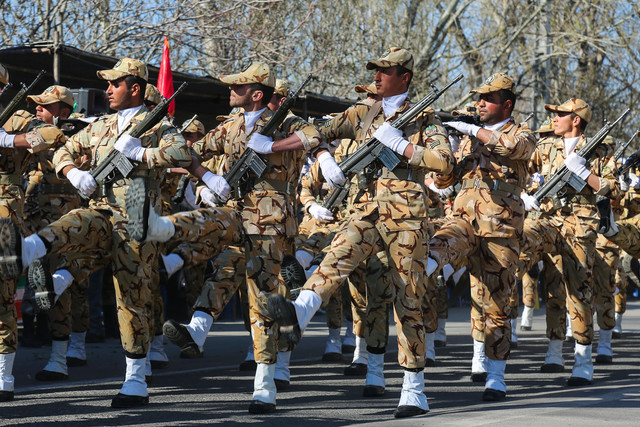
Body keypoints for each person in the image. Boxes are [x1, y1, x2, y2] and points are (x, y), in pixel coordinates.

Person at [268, 47, 454, 418]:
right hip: (365, 210)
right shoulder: (361, 113)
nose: (377, 77)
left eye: (386, 71)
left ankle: (413, 389)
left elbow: (446, 166)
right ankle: (300, 310)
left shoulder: (426, 121)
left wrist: (402, 145)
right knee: (337, 253)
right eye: (376, 71)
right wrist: (316, 154)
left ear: (404, 77)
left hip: (406, 219)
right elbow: (314, 130)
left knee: (408, 298)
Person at [0, 57, 193, 407]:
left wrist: (142, 153)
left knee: (131, 297)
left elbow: (183, 152)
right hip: (103, 210)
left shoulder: (157, 126)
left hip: (137, 216)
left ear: (134, 88)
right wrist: (73, 172)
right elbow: (64, 149)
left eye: (114, 84)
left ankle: (135, 378)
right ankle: (30, 248)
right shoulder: (100, 125)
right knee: (73, 223)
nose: (107, 90)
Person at [428, 73, 536, 401]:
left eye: (487, 100)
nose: (479, 104)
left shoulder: (522, 132)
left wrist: (474, 130)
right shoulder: (468, 138)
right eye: (479, 99)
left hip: (500, 227)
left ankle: (496, 374)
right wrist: (443, 143)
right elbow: (445, 180)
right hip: (464, 220)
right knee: (437, 246)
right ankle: (423, 268)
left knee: (495, 301)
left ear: (506, 104)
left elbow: (514, 148)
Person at [519, 98, 618, 385]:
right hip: (549, 220)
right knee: (551, 285)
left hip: (580, 227)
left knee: (578, 291)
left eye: (560, 114)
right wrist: (525, 194)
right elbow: (523, 172)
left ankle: (583, 360)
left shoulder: (598, 150)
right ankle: (553, 352)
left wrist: (585, 173)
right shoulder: (548, 146)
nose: (554, 119)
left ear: (576, 119)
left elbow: (612, 189)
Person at [0, 65, 67, 401]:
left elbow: (54, 136)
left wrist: (9, 140)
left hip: (4, 205)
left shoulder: (16, 118)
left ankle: (3, 377)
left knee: (1, 291)